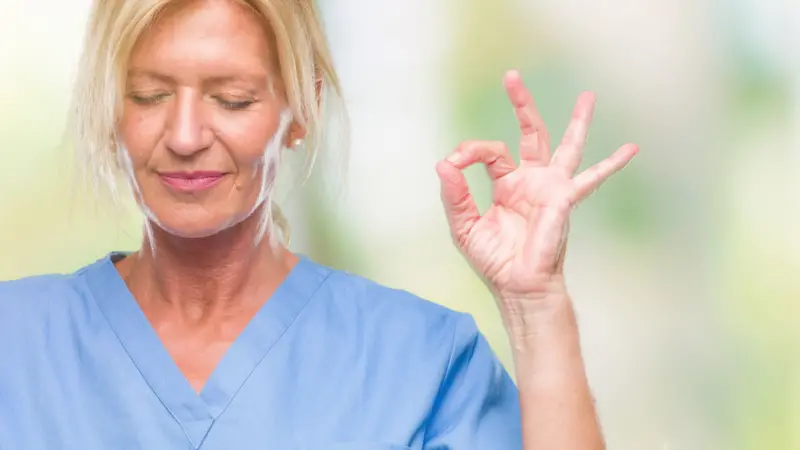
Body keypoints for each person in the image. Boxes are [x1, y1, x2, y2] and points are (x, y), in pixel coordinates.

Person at [0, 0, 637, 449]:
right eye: (150, 95)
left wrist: (536, 306)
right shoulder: (17, 343)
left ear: (301, 107)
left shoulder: (419, 362)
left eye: (233, 99)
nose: (186, 136)